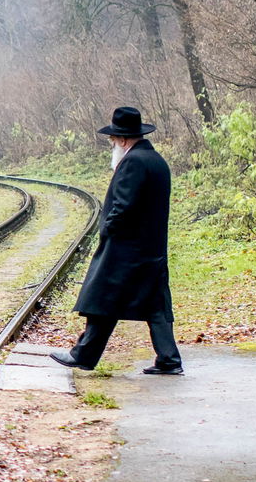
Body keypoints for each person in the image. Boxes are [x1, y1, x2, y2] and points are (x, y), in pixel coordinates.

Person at [50, 106, 184, 375]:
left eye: (113, 141)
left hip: (126, 249)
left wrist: (108, 230)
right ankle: (169, 360)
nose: (113, 145)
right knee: (156, 305)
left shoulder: (133, 162)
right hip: (152, 248)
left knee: (103, 299)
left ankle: (83, 355)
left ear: (122, 139)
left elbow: (123, 206)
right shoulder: (157, 160)